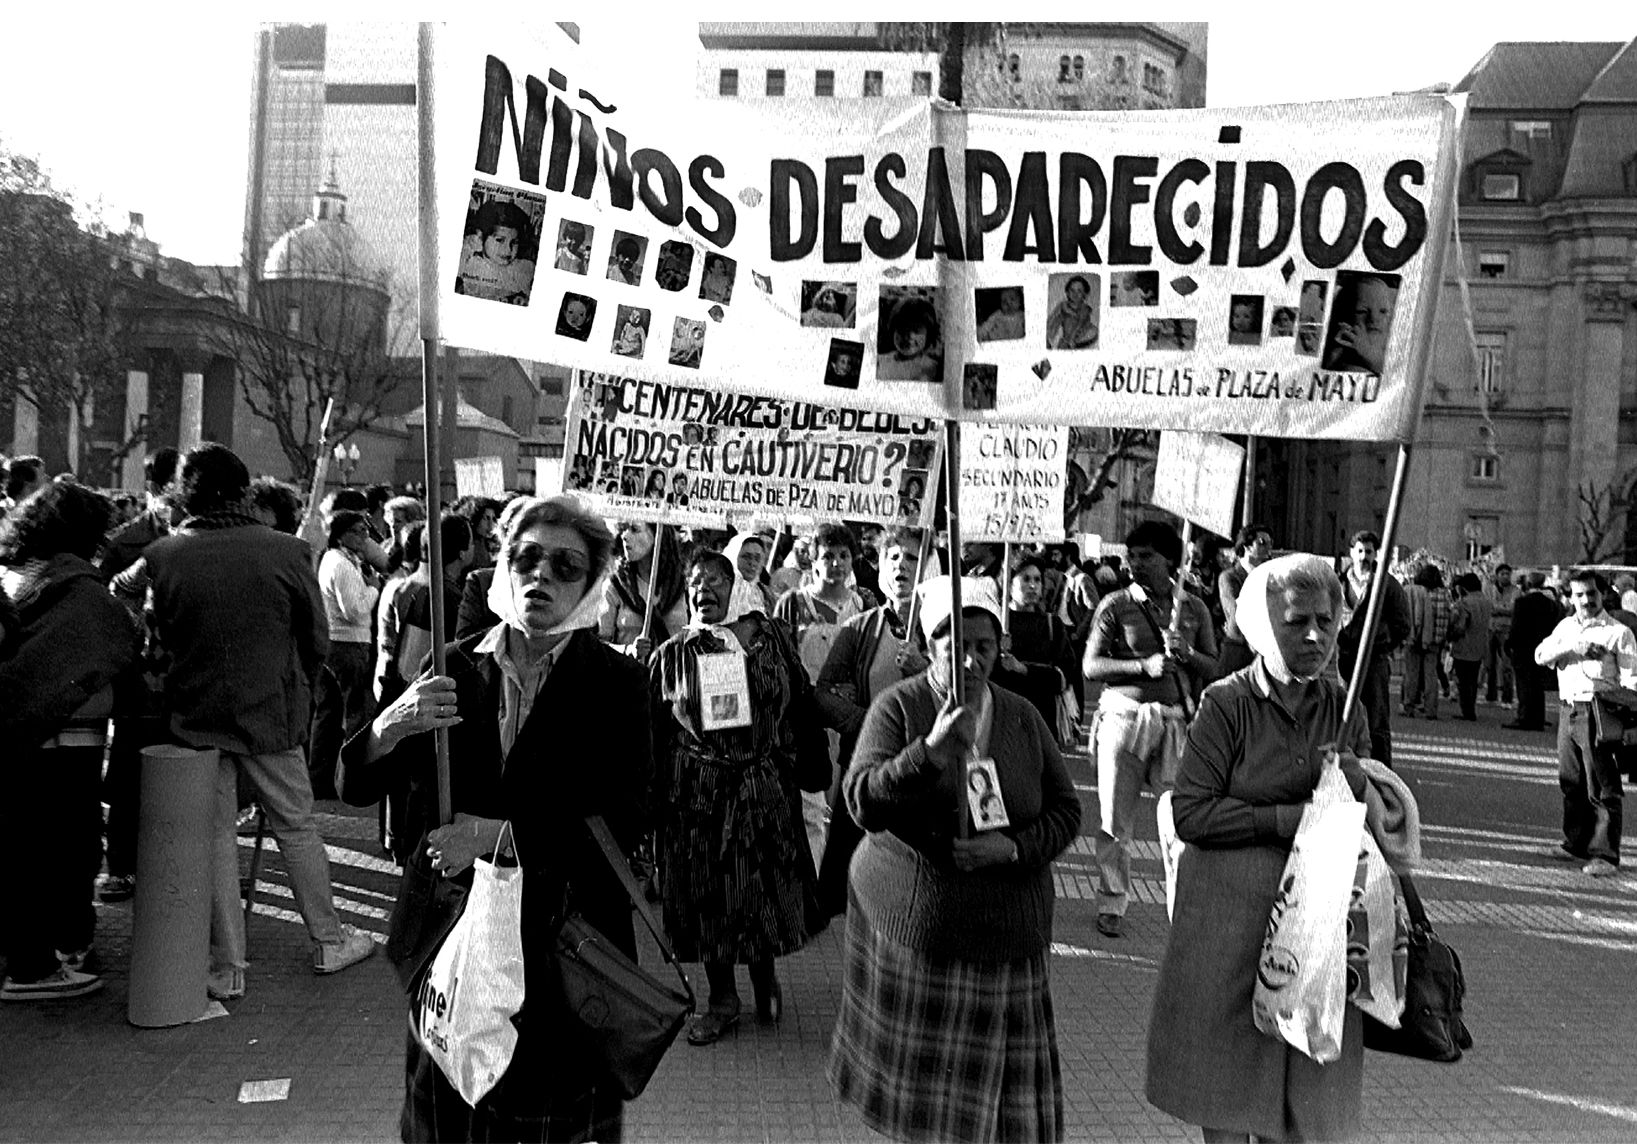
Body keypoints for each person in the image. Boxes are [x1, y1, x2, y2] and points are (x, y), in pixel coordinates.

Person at [337, 494, 652, 1141]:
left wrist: (498, 836)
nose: (542, 576)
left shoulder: (618, 684)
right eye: (526, 557)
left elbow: (631, 818)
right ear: (502, 565)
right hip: (453, 950)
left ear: (591, 584)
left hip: (560, 961)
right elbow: (354, 785)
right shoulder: (453, 667)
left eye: (566, 566)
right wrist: (389, 727)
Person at [829, 574, 1080, 1143]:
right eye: (953, 642)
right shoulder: (900, 706)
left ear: (1000, 648)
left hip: (1006, 936)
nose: (970, 658)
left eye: (984, 645)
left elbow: (1066, 812)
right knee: (927, 1118)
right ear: (928, 642)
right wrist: (930, 753)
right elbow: (861, 800)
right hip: (923, 937)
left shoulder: (1021, 716)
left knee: (1000, 1120)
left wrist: (1012, 847)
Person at [1147, 553, 1379, 1143]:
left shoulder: (1344, 706)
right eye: (1296, 621)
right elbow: (1190, 812)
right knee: (1227, 1093)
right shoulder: (1226, 703)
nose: (1314, 636)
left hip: (1316, 931)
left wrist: (1357, 784)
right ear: (1258, 624)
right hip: (1228, 930)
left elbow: (1374, 819)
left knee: (1302, 1097)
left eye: (1326, 622)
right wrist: (1286, 818)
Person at [142, 444, 375, 1003]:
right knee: (296, 826)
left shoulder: (164, 554)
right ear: (244, 490)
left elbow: (155, 636)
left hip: (196, 715)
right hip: (271, 714)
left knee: (217, 838)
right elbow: (315, 640)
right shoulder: (286, 552)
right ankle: (328, 939)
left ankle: (228, 966)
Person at [650, 550, 826, 1045]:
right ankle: (722, 999)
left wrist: (809, 763)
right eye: (695, 583)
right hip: (697, 797)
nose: (704, 590)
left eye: (714, 581)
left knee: (759, 888)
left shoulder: (769, 638)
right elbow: (652, 731)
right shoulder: (672, 655)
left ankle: (763, 976)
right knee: (707, 896)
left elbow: (802, 703)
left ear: (735, 587)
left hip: (759, 790)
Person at [0, 483, 141, 1001]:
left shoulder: (12, 575)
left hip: (13, 737)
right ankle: (40, 962)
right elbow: (116, 648)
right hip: (68, 740)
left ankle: (37, 950)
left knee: (22, 845)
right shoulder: (84, 592)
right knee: (64, 844)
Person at [1082, 521, 1217, 938]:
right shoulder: (1115, 605)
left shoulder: (1193, 608)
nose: (1135, 564)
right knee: (1115, 820)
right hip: (1124, 719)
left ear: (1170, 561)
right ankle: (1112, 901)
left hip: (1175, 723)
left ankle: (1184, 906)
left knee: (1178, 820)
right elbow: (1090, 666)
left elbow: (1215, 666)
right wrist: (1144, 666)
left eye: (1146, 557)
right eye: (1132, 556)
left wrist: (1188, 654)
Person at [812, 527, 933, 917]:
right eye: (893, 556)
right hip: (867, 767)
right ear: (879, 567)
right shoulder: (858, 628)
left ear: (927, 566)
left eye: (911, 557)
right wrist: (865, 722)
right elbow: (824, 692)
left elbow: (968, 692)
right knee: (845, 875)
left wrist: (927, 669)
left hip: (923, 773)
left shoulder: (943, 629)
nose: (901, 565)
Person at [94, 447, 181, 903]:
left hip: (170, 680)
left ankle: (157, 864)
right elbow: (109, 608)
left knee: (171, 773)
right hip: (143, 678)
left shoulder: (140, 539)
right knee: (130, 774)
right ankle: (123, 866)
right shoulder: (128, 543)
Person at [1533, 568, 1635, 878]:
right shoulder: (1566, 626)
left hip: (1598, 711)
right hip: (1568, 710)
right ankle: (1575, 843)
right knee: (1571, 781)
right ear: (1570, 597)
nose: (1585, 601)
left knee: (1602, 786)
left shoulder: (1618, 632)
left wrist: (1626, 718)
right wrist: (1572, 648)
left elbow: (1633, 681)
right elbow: (1540, 655)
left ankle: (1605, 853)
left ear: (1603, 594)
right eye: (1579, 595)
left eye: (1591, 593)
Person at [309, 510, 383, 800]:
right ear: (340, 534)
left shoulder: (339, 560)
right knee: (353, 715)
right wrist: (373, 590)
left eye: (366, 530)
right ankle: (346, 780)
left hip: (335, 644)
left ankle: (321, 779)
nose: (365, 536)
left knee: (328, 713)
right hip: (348, 645)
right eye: (358, 531)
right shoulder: (340, 564)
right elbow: (355, 609)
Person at [1337, 529, 1411, 767]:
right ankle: (1348, 769)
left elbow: (1403, 624)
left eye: (1368, 551)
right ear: (1351, 553)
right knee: (1345, 714)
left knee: (1377, 719)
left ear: (1375, 553)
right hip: (1346, 658)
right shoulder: (1338, 582)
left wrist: (1381, 643)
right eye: (1359, 551)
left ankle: (1382, 772)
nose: (1363, 556)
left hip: (1374, 660)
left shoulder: (1387, 584)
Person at [597, 520, 687, 661]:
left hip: (673, 677)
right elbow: (600, 646)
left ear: (658, 534)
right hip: (631, 677)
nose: (624, 536)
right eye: (624, 529)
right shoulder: (615, 586)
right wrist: (629, 650)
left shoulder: (682, 585)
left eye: (634, 529)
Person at [1217, 523, 1274, 675]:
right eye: (1262, 543)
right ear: (1247, 546)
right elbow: (1237, 615)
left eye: (1270, 543)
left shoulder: (1269, 578)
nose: (1268, 548)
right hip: (1238, 650)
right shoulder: (1229, 577)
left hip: (1264, 652)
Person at [1507, 571, 1559, 731]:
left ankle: (1524, 717)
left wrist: (1509, 644)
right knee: (1537, 685)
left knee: (1524, 685)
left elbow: (1516, 627)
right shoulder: (1549, 603)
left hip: (1523, 649)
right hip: (1542, 647)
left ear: (1528, 584)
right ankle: (1538, 719)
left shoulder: (1522, 602)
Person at [456, 199, 535, 303]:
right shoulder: (471, 263)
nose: (508, 249)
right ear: (480, 237)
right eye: (499, 240)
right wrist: (474, 243)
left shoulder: (522, 268)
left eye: (514, 242)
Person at [1402, 564, 1452, 720]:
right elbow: (1448, 617)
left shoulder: (1415, 592)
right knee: (1431, 676)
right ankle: (1431, 709)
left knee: (1412, 674)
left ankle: (1409, 705)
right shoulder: (1444, 594)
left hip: (1415, 638)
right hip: (1435, 641)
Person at [1322, 274, 1394, 374]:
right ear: (1345, 316)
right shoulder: (1343, 345)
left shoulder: (1387, 341)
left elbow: (1394, 371)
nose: (1374, 318)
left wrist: (1367, 351)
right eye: (1362, 311)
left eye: (1383, 311)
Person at [1449, 572, 1491, 721]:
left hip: (1464, 646)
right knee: (1473, 679)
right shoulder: (1486, 601)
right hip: (1480, 645)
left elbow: (1461, 626)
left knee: (1463, 680)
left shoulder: (1464, 603)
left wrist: (1451, 634)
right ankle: (1471, 709)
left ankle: (1466, 711)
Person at [877, 299, 941, 381]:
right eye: (902, 329)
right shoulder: (880, 362)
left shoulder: (933, 369)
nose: (909, 336)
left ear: (928, 335)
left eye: (917, 330)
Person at [1485, 562, 1520, 707]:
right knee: (1490, 664)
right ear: (1497, 575)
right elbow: (1489, 607)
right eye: (1502, 574)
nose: (1505, 576)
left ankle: (1507, 698)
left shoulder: (1515, 590)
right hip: (1491, 628)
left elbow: (1513, 609)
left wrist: (1498, 609)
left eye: (1507, 574)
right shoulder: (1489, 588)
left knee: (1507, 665)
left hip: (1506, 630)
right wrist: (1503, 609)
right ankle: (1491, 695)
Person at [722, 530, 778, 617]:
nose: (752, 563)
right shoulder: (721, 591)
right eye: (746, 557)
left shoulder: (765, 593)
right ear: (733, 556)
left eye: (757, 558)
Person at [1046, 274, 1098, 349]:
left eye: (1079, 291)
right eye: (1072, 290)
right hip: (1066, 344)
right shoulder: (1063, 307)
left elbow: (1084, 326)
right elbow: (1052, 323)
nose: (1075, 294)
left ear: (1085, 294)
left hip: (1082, 343)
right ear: (1067, 292)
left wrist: (1075, 340)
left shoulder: (1085, 310)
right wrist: (1048, 339)